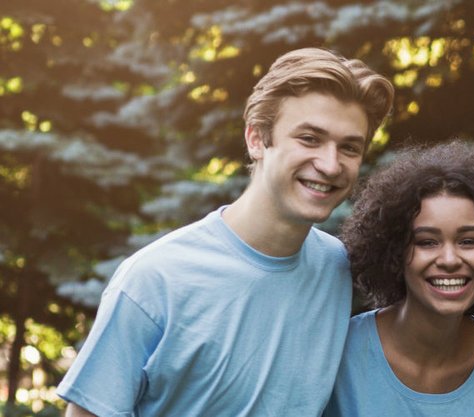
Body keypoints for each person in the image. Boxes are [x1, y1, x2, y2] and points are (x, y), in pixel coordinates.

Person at [57, 48, 394, 417]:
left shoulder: (337, 267)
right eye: (310, 139)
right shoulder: (155, 280)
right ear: (256, 139)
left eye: (349, 147)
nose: (330, 165)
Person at [324, 140, 474, 416]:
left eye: (468, 241)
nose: (450, 260)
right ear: (393, 250)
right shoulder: (340, 352)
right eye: (427, 242)